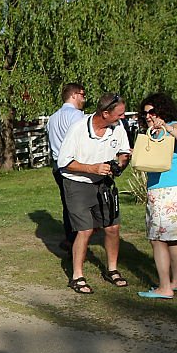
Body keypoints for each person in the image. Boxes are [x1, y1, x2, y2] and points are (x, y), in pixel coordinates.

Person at [56, 92, 131, 294]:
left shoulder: (117, 128)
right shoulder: (78, 129)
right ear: (105, 113)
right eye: (119, 114)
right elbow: (64, 162)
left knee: (112, 227)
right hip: (77, 183)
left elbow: (125, 152)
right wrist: (93, 168)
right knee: (85, 230)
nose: (122, 118)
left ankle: (112, 269)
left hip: (104, 183)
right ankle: (77, 276)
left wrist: (120, 165)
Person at [136, 93, 177, 299]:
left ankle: (164, 287)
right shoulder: (153, 131)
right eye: (146, 114)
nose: (149, 116)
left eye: (152, 112)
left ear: (162, 110)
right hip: (172, 189)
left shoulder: (174, 126)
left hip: (167, 190)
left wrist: (167, 128)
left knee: (157, 239)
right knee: (171, 239)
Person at [46, 83, 87, 250]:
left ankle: (71, 237)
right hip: (72, 165)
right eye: (83, 95)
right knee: (79, 205)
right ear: (74, 95)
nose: (84, 99)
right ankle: (75, 241)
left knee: (67, 203)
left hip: (57, 165)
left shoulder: (53, 118)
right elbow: (81, 141)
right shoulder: (77, 116)